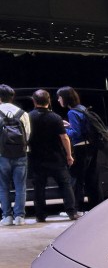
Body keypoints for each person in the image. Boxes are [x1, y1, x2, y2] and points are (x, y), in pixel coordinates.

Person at [27, 89, 78, 223]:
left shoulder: (28, 117)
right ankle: (72, 212)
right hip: (56, 158)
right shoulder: (55, 117)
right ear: (49, 101)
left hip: (36, 158)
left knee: (39, 187)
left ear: (34, 101)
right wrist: (69, 155)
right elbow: (64, 138)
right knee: (65, 184)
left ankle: (40, 215)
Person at [58, 86, 102, 210]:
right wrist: (70, 126)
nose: (58, 100)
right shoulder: (82, 108)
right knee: (92, 178)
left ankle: (76, 208)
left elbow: (76, 133)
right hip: (91, 146)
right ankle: (96, 206)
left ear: (65, 98)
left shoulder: (71, 112)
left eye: (60, 98)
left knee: (77, 179)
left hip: (81, 148)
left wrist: (64, 129)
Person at [0, 84, 31, 226]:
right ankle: (20, 217)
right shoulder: (23, 113)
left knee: (3, 187)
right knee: (20, 187)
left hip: (2, 154)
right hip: (21, 153)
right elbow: (28, 134)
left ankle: (7, 217)